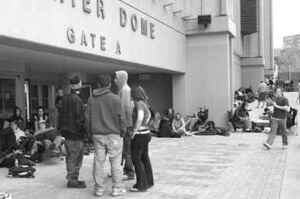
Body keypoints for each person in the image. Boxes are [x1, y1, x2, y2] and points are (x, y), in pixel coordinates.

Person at [86, 74, 126, 197]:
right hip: (114, 135)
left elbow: (87, 118)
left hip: (97, 135)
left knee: (98, 162)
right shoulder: (115, 98)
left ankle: (99, 189)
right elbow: (122, 118)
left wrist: (89, 133)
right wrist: (123, 132)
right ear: (109, 84)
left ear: (98, 84)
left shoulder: (91, 99)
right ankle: (116, 188)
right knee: (115, 162)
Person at [58, 76, 86, 188]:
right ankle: (73, 180)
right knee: (76, 157)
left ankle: (71, 178)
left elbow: (59, 116)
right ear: (79, 84)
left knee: (70, 157)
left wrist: (60, 131)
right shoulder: (77, 100)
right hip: (76, 134)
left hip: (66, 133)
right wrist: (84, 132)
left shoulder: (64, 98)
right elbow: (80, 119)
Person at [130, 86, 154, 192]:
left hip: (139, 135)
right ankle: (149, 181)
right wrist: (144, 125)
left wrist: (134, 131)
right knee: (145, 158)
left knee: (136, 159)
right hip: (146, 133)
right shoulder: (145, 104)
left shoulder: (138, 103)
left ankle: (141, 185)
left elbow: (139, 117)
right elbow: (148, 116)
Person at [114, 70, 135, 180]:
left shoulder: (125, 90)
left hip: (126, 124)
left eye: (116, 78)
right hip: (126, 123)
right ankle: (123, 170)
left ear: (122, 78)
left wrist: (123, 125)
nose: (114, 80)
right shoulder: (123, 89)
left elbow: (124, 108)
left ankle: (129, 172)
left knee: (127, 149)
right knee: (124, 148)